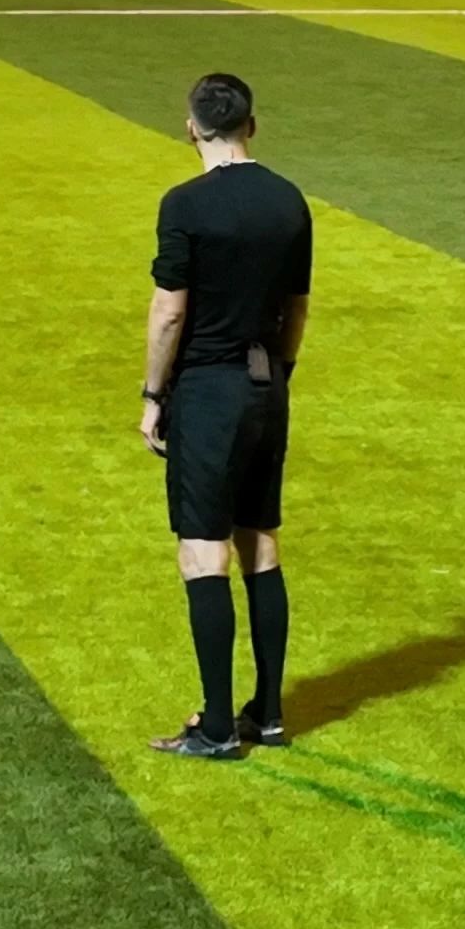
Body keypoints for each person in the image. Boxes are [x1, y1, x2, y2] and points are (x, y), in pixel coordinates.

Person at [138, 71, 316, 762]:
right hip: (267, 385)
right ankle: (267, 714)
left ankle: (216, 726)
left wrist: (154, 395)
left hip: (208, 392)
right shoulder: (288, 200)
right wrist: (280, 374)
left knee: (202, 551)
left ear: (191, 128)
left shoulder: (185, 204)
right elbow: (297, 306)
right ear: (252, 125)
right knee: (260, 542)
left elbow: (169, 311)